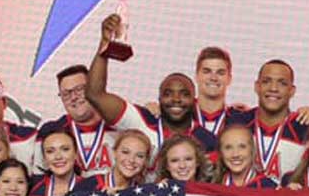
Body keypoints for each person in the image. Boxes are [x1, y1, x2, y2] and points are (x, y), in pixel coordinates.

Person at [86, 15, 219, 161]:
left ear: (194, 100)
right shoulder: (142, 121)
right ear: (159, 99)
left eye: (184, 94)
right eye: (168, 94)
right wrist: (105, 43)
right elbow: (95, 94)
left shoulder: (206, 141)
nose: (176, 99)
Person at [36, 64, 116, 174]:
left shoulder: (118, 123)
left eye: (79, 89)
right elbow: (39, 178)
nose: (73, 97)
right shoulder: (51, 130)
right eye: (66, 94)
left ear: (92, 89)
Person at [193, 46, 234, 135]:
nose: (213, 78)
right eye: (207, 71)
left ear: (229, 79)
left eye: (220, 73)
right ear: (196, 76)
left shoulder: (239, 120)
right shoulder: (183, 114)